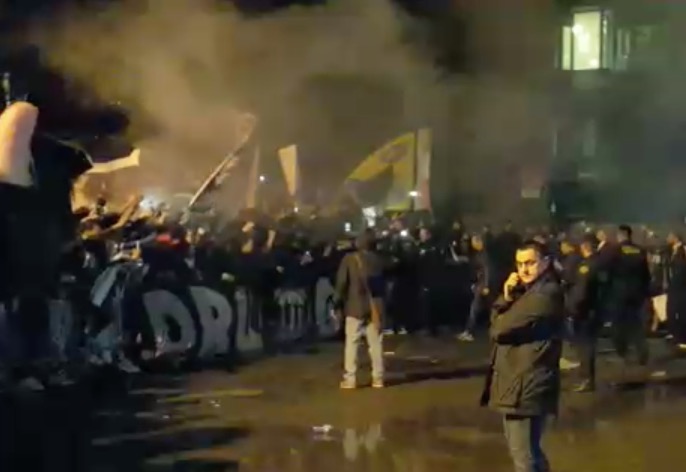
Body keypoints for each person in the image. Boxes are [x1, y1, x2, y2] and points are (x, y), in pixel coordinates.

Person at [480, 240, 564, 472]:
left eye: (530, 263)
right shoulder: (529, 291)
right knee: (529, 453)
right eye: (519, 264)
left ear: (545, 262)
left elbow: (498, 329)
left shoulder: (544, 294)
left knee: (524, 457)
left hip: (525, 385)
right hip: (519, 383)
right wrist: (508, 295)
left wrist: (504, 300)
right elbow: (498, 325)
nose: (524, 269)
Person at [335, 229, 385, 389]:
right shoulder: (378, 260)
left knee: (352, 342)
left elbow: (342, 283)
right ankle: (378, 378)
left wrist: (337, 303)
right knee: (375, 344)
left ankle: (350, 379)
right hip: (374, 306)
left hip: (355, 306)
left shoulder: (349, 259)